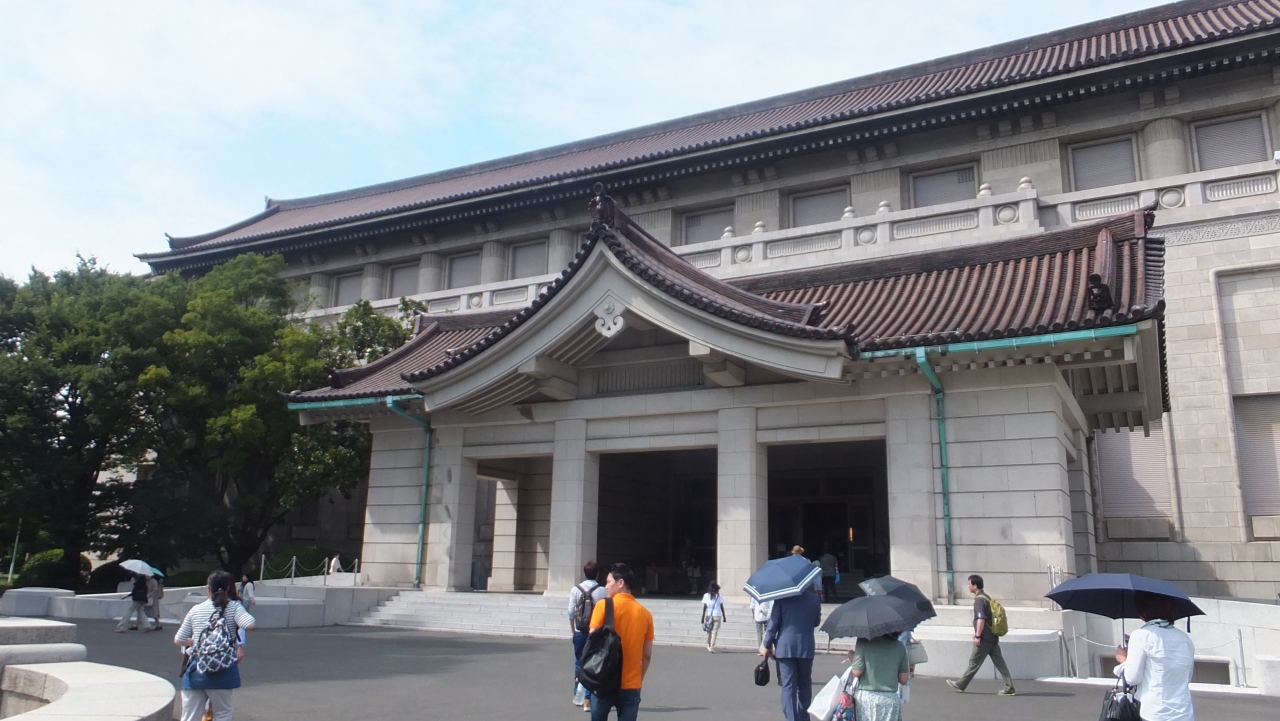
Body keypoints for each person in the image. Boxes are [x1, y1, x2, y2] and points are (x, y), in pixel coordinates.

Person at [174, 570, 256, 721]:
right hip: (223, 668)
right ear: (227, 589)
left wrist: (194, 642)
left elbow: (179, 639)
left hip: (196, 668)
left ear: (208, 589)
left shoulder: (196, 609)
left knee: (190, 717)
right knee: (222, 714)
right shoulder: (234, 607)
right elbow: (250, 624)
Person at [587, 562, 654, 721]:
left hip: (603, 679)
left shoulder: (603, 606)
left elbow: (592, 642)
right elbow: (647, 655)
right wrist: (638, 677)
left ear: (620, 583)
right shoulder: (645, 614)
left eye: (608, 581)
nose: (605, 586)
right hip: (631, 683)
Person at [1114, 591, 1195, 721]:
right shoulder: (1185, 639)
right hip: (1184, 713)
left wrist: (1124, 660)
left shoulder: (1141, 635)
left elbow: (1132, 678)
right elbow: (1187, 677)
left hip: (1155, 712)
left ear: (1143, 611)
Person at [947, 574, 1016, 696]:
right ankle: (1009, 686)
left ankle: (961, 684)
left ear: (975, 586)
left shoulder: (979, 600)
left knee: (974, 661)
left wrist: (978, 635)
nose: (968, 586)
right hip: (992, 636)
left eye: (969, 584)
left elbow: (981, 619)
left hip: (984, 637)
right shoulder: (987, 597)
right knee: (999, 662)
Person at [760, 588, 822, 721]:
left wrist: (766, 644)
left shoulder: (782, 599)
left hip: (785, 646)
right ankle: (804, 717)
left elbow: (773, 625)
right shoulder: (814, 599)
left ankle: (791, 718)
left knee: (788, 686)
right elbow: (816, 622)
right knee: (805, 684)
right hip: (806, 646)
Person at [569, 560, 608, 711]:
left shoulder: (576, 589)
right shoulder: (602, 591)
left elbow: (571, 612)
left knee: (579, 662)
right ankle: (588, 699)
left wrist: (573, 630)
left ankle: (577, 695)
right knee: (594, 663)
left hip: (580, 631)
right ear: (598, 574)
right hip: (596, 632)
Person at [848, 633, 909, 721]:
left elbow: (857, 672)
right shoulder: (899, 646)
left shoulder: (863, 641)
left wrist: (852, 657)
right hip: (890, 700)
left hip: (867, 700)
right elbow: (903, 679)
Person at [700, 582, 727, 653]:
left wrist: (702, 617)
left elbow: (705, 607)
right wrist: (724, 616)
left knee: (709, 631)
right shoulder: (719, 596)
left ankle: (709, 645)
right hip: (717, 615)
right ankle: (711, 645)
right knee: (714, 631)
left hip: (709, 616)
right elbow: (722, 607)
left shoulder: (706, 595)